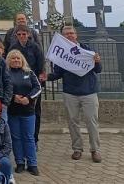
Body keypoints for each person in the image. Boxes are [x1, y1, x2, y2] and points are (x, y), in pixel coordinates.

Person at [47, 25, 103, 163]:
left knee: (91, 121)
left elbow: (98, 70)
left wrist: (97, 62)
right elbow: (58, 73)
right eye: (66, 34)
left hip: (89, 91)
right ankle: (77, 149)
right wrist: (46, 77)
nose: (69, 36)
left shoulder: (86, 49)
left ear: (76, 35)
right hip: (70, 92)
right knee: (73, 122)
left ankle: (95, 150)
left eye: (71, 33)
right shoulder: (61, 54)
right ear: (63, 37)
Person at [6, 25, 45, 143]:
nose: (22, 36)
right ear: (16, 35)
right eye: (19, 34)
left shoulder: (35, 47)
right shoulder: (13, 47)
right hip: (16, 85)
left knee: (35, 113)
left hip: (31, 83)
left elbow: (41, 64)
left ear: (28, 34)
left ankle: (34, 139)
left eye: (24, 34)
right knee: (16, 114)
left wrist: (38, 79)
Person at [5, 50, 40, 176]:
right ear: (9, 60)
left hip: (28, 111)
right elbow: (3, 89)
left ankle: (32, 163)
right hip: (12, 111)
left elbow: (38, 88)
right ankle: (20, 162)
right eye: (13, 58)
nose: (16, 60)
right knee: (16, 138)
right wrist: (13, 97)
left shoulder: (29, 73)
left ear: (22, 60)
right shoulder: (6, 73)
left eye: (18, 58)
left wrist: (28, 98)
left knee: (29, 137)